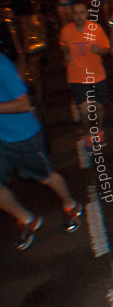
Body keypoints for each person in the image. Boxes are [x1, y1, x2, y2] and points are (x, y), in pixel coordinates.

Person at [0, 53, 82, 250]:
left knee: (46, 176)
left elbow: (24, 103)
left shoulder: (1, 64)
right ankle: (27, 220)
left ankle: (71, 204)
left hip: (23, 136)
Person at [60, 2, 111, 167]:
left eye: (82, 12)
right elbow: (64, 48)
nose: (79, 16)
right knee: (85, 109)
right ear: (72, 15)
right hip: (78, 76)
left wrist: (99, 50)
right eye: (76, 13)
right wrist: (67, 56)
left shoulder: (95, 28)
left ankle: (98, 131)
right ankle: (89, 134)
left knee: (98, 108)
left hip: (97, 75)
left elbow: (106, 49)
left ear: (86, 13)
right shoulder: (66, 31)